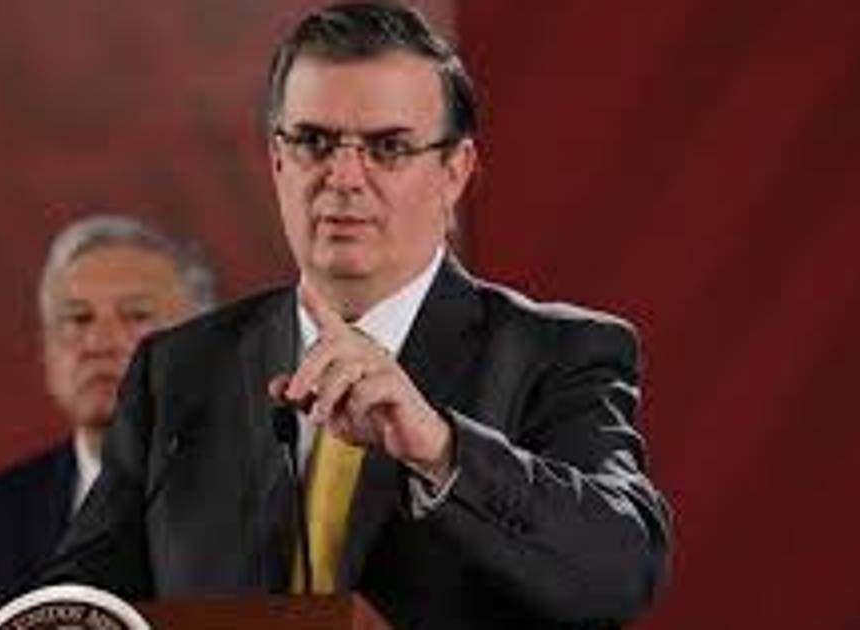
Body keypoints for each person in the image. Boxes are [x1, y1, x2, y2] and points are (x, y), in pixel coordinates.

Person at [44, 3, 670, 627]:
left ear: (455, 172)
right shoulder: (179, 370)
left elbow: (619, 572)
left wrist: (440, 451)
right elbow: (68, 606)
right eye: (314, 142)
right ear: (278, 160)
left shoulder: (556, 353)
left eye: (388, 147)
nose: (343, 177)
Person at [0, 214, 215, 606]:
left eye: (136, 316)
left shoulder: (263, 495)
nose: (98, 343)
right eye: (77, 318)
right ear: (46, 349)